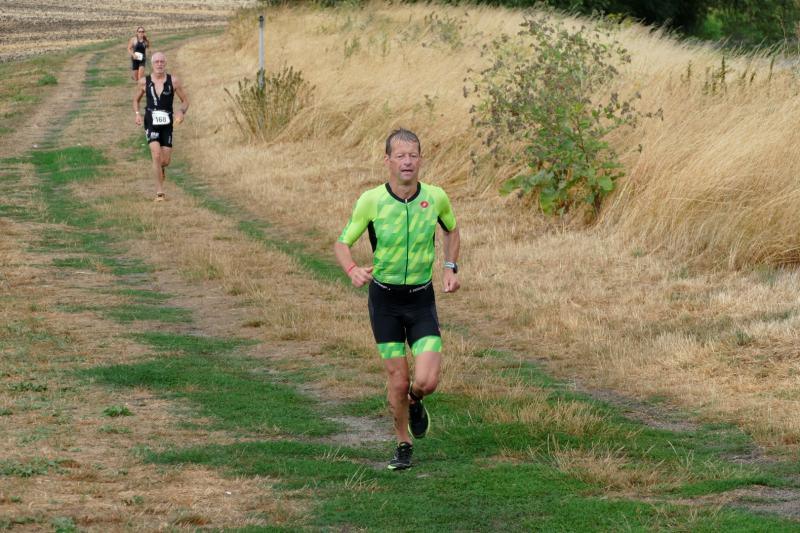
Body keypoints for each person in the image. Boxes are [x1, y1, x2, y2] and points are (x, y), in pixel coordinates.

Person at [334, 128, 461, 470]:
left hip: (420, 300)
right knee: (399, 379)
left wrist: (450, 267)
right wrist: (352, 270)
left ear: (421, 160)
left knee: (426, 381)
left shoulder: (435, 197)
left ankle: (415, 401)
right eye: (400, 156)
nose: (407, 161)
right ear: (387, 160)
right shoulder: (371, 200)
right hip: (385, 303)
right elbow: (342, 243)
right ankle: (403, 443)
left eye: (413, 155)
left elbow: (451, 229)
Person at [133, 51, 189, 202]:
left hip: (167, 124)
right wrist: (137, 114)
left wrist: (181, 112)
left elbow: (185, 101)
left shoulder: (173, 81)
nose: (159, 64)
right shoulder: (144, 82)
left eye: (162, 62)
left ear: (165, 63)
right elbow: (136, 100)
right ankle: (160, 193)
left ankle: (161, 168)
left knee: (165, 161)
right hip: (151, 122)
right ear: (152, 64)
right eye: (156, 62)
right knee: (156, 155)